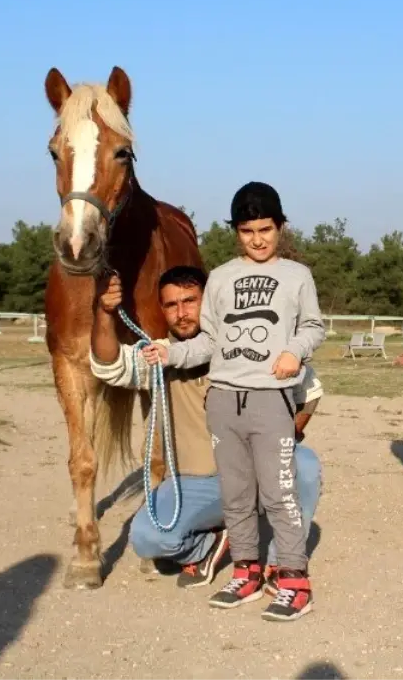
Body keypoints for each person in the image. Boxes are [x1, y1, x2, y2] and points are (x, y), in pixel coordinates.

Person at [146, 181, 327, 622]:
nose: (258, 239)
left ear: (280, 227)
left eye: (266, 228)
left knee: (280, 494)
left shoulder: (297, 276)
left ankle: (293, 580)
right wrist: (172, 352)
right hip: (224, 401)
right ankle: (245, 571)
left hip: (271, 400)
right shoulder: (222, 277)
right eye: (247, 231)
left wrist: (294, 351)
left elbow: (315, 327)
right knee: (236, 495)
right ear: (236, 232)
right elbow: (208, 340)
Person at [89, 263, 324, 599]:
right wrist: (105, 311)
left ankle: (280, 565)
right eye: (171, 305)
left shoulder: (250, 345)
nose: (182, 313)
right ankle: (208, 542)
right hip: (195, 482)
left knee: (306, 465)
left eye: (190, 301)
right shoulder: (160, 355)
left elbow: (310, 392)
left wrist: (284, 436)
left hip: (253, 471)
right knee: (147, 538)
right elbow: (109, 364)